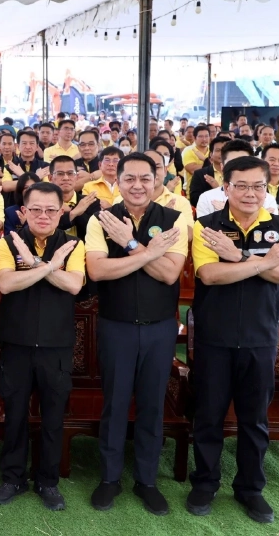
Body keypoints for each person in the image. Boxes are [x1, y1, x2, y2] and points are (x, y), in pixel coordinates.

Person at [187, 156, 279, 524]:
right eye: (242, 185)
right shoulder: (207, 226)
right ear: (226, 187)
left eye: (258, 186)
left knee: (254, 420)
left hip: (260, 339)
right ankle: (205, 483)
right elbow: (210, 275)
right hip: (213, 339)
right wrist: (262, 262)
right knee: (208, 416)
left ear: (266, 189)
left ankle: (250, 489)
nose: (250, 193)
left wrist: (239, 256)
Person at [84, 152, 187, 516]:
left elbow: (170, 274)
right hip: (116, 326)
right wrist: (148, 254)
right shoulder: (101, 220)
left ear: (157, 179)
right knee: (114, 404)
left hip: (160, 328)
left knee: (151, 406)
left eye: (146, 178)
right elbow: (98, 272)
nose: (138, 185)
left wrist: (130, 244)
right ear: (119, 180)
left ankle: (146, 481)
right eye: (130, 178)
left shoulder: (174, 218)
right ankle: (110, 478)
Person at [0, 182, 85, 509]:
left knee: (53, 419)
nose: (43, 216)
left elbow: (73, 285)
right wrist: (46, 265)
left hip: (56, 347)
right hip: (15, 344)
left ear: (61, 212)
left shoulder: (73, 244)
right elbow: (6, 282)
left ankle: (47, 482)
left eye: (51, 210)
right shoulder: (9, 242)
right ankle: (12, 478)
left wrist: (32, 266)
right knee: (15, 416)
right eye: (36, 209)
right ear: (24, 211)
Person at [195, 141, 279, 218]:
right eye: (232, 164)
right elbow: (206, 233)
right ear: (222, 167)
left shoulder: (268, 199)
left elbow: (271, 232)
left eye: (244, 163)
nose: (239, 168)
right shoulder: (207, 198)